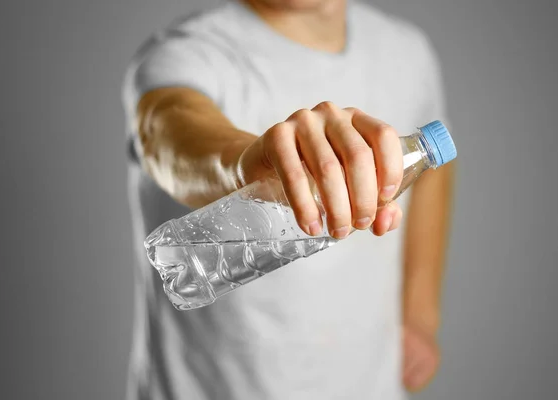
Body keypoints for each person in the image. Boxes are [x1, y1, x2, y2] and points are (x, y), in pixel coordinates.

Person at [122, 0, 455, 399]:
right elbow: (166, 135)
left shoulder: (407, 53)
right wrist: (247, 165)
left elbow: (437, 169)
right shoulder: (187, 52)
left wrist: (420, 316)